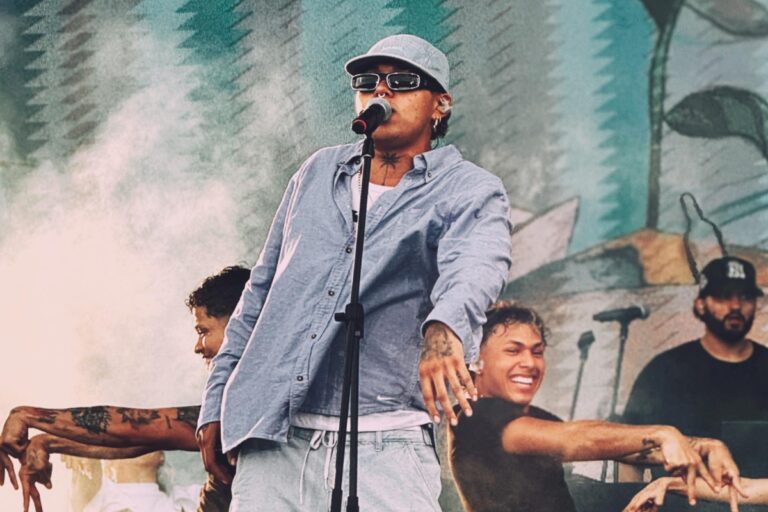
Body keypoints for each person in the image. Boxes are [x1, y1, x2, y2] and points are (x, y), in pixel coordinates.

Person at [196, 34, 513, 510]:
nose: (380, 91)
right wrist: (217, 399)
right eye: (367, 82)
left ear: (440, 104)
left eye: (402, 81)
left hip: (387, 448)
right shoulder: (316, 172)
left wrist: (444, 331)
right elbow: (259, 293)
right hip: (276, 442)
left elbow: (477, 263)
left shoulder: (468, 189)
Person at [449, 301, 744, 512]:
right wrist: (663, 433)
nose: (529, 362)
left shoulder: (535, 420)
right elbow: (575, 439)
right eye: (513, 350)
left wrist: (702, 446)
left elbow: (626, 450)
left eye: (537, 352)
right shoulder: (475, 417)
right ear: (476, 361)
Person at [0, 265, 251, 512]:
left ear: (240, 327)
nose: (197, 346)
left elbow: (134, 429)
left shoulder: (251, 405)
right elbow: (136, 439)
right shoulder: (231, 402)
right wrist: (47, 442)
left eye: (203, 331)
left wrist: (28, 417)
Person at [623, 256, 767, 440]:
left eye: (745, 297)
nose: (736, 305)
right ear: (700, 304)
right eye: (723, 296)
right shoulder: (665, 370)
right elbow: (634, 443)